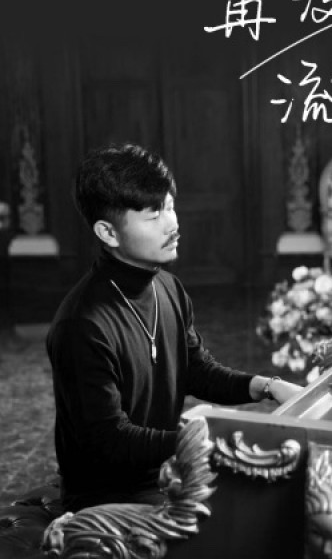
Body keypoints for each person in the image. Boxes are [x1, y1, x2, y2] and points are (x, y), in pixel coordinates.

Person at [47, 143, 302, 511]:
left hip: (167, 473)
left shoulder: (167, 287)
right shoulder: (82, 324)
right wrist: (204, 438)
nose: (172, 223)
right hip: (109, 500)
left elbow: (195, 370)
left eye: (169, 207)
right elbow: (109, 441)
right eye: (153, 216)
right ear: (108, 232)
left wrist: (268, 387)